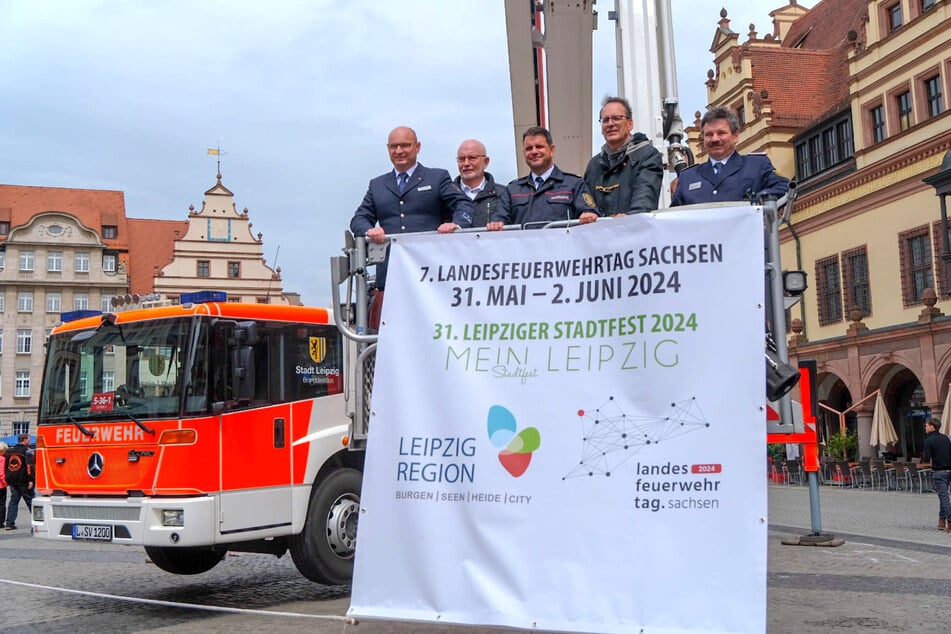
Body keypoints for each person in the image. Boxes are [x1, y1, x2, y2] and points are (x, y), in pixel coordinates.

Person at [350, 126, 474, 327]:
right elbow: (358, 219)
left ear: (417, 147)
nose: (399, 151)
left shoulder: (437, 177)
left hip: (431, 276)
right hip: (390, 277)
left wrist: (456, 224)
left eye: (405, 145)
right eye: (393, 146)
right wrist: (368, 230)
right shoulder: (377, 185)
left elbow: (463, 204)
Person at [671, 106, 789, 206]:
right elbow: (673, 217)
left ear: (736, 136)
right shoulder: (688, 177)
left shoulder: (756, 166)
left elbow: (785, 188)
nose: (715, 139)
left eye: (721, 133)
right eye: (709, 134)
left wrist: (757, 202)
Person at [487, 126, 599, 230]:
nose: (534, 151)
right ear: (524, 153)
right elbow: (499, 218)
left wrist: (588, 215)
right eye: (529, 148)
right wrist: (497, 223)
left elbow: (589, 213)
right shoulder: (512, 190)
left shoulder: (574, 184)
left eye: (539, 147)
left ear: (552, 150)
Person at [584, 96, 664, 216]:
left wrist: (630, 219)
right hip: (600, 233)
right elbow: (586, 204)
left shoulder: (647, 156)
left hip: (633, 232)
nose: (610, 124)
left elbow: (645, 197)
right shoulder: (594, 164)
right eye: (605, 120)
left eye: (617, 118)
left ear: (630, 124)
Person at [453, 139, 507, 228]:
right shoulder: (446, 195)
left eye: (472, 158)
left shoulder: (503, 194)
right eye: (462, 159)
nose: (466, 163)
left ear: (486, 162)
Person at [923, 418, 951, 531]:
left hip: (939, 472)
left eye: (926, 425)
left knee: (944, 497)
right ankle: (941, 520)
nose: (925, 427)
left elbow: (926, 458)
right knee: (943, 496)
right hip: (949, 471)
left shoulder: (929, 440)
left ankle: (950, 521)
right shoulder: (945, 438)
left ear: (932, 427)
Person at [5, 433, 34, 530]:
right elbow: (29, 467)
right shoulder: (27, 452)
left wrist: (7, 479)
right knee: (31, 501)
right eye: (28, 439)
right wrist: (31, 480)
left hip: (13, 480)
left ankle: (9, 522)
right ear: (24, 440)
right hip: (24, 480)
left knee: (13, 502)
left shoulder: (9, 452)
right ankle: (38, 521)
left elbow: (6, 467)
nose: (29, 441)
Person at [0, 442, 7, 528]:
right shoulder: (2, 459)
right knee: (2, 504)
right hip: (1, 485)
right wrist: (6, 483)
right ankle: (0, 522)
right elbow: (1, 473)